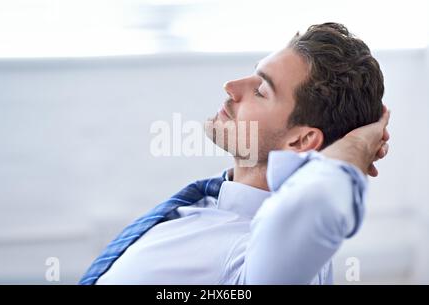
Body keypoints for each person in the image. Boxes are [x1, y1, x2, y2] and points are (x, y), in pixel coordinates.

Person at [80, 22, 390, 285]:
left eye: (261, 91)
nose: (231, 85)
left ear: (300, 141)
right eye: (253, 74)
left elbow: (311, 204)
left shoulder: (260, 256)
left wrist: (359, 145)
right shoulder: (212, 203)